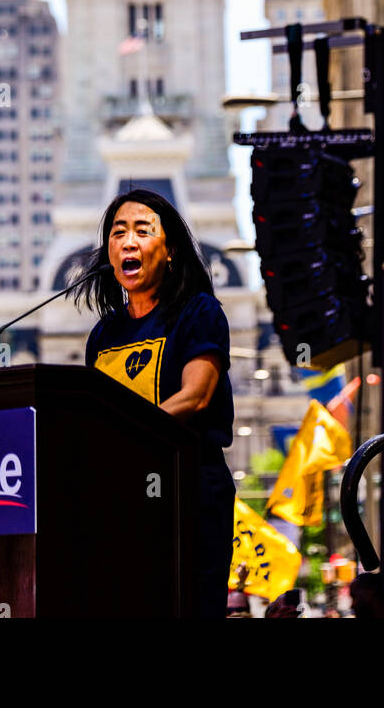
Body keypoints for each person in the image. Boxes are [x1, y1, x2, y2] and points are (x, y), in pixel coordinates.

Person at [76, 189, 235, 619]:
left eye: (142, 231)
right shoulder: (103, 335)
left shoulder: (198, 312)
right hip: (122, 501)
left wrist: (122, 428)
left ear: (170, 251)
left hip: (188, 496)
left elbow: (196, 396)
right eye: (117, 233)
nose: (128, 241)